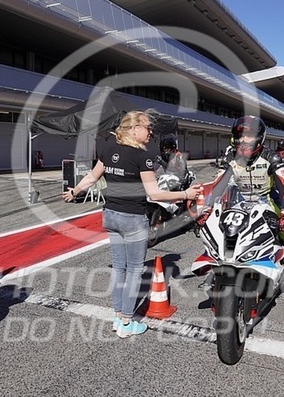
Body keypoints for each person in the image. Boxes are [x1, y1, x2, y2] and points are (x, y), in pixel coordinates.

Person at [61, 111, 201, 337]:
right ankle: (126, 322)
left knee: (119, 268)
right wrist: (186, 194)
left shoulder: (108, 149)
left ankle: (118, 316)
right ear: (134, 129)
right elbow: (154, 194)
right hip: (133, 218)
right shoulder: (143, 157)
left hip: (110, 215)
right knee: (135, 270)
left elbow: (92, 178)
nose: (150, 133)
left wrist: (74, 191)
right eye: (147, 128)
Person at [202, 115, 284, 272]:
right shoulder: (230, 158)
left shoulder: (271, 157)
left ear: (259, 138)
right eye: (240, 135)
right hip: (238, 203)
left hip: (267, 202)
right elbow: (217, 185)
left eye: (249, 135)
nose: (244, 140)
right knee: (218, 230)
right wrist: (206, 208)